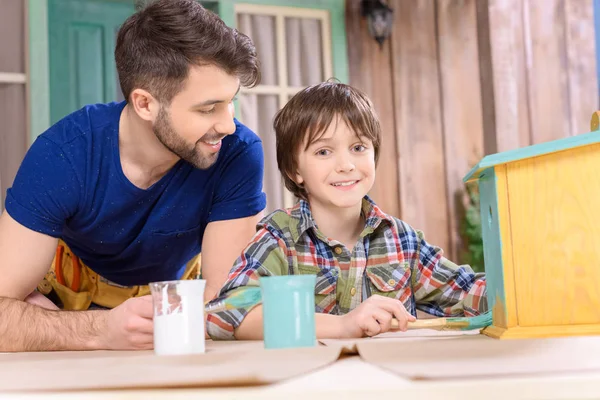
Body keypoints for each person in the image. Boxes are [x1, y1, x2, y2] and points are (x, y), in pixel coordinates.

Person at [0, 0, 266, 351]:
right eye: (208, 108)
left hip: (177, 310)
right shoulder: (63, 154)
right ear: (144, 104)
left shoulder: (237, 152)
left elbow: (225, 308)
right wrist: (94, 329)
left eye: (231, 101)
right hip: (66, 307)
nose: (228, 124)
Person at [206, 81, 487, 340]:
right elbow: (227, 314)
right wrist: (343, 326)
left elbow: (468, 293)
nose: (346, 165)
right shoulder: (279, 239)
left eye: (358, 147)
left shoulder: (402, 242)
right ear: (295, 170)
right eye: (323, 152)